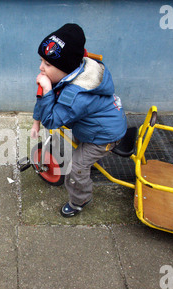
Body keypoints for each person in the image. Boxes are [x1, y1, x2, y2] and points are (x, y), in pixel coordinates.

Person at [31, 23, 127, 218]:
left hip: (104, 135)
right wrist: (35, 121)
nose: (41, 67)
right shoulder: (73, 71)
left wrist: (48, 90)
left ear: (65, 68)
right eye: (41, 61)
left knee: (76, 167)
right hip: (100, 122)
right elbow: (42, 100)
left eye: (48, 64)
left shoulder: (75, 96)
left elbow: (52, 121)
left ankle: (80, 199)